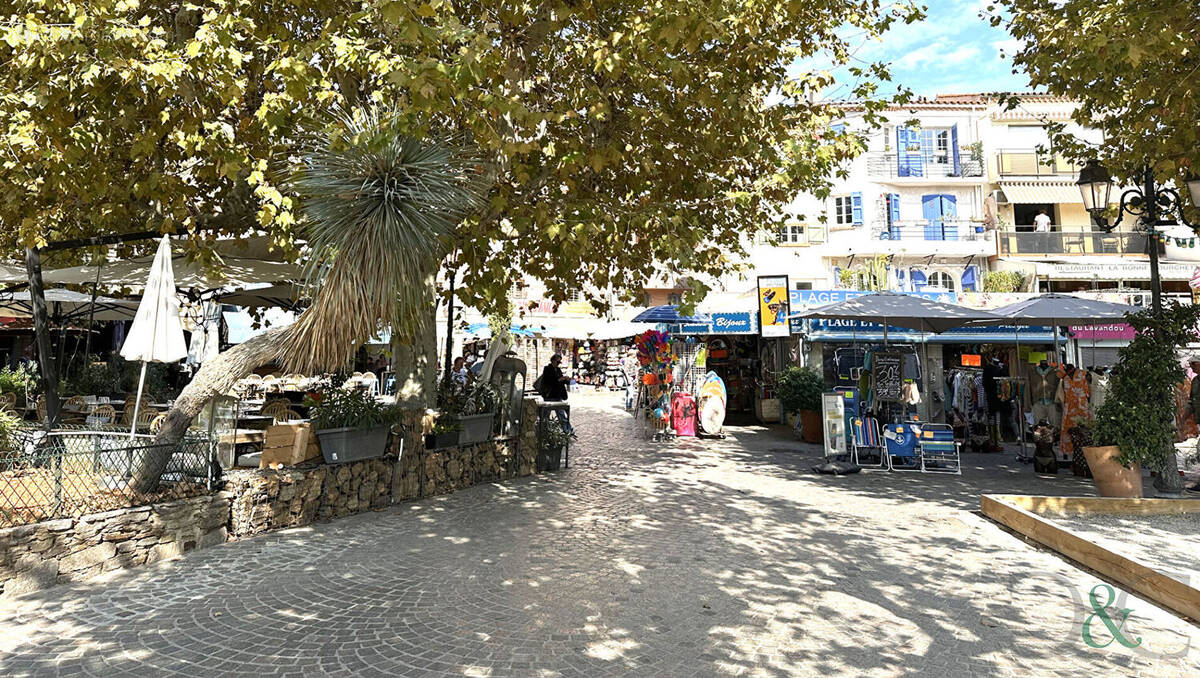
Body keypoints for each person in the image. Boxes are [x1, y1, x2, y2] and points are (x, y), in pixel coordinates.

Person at [540, 354, 573, 433]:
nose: (558, 364)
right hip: (549, 395)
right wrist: (559, 379)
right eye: (557, 362)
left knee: (561, 414)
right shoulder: (547, 369)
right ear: (553, 361)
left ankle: (567, 430)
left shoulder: (558, 370)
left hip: (558, 395)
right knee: (545, 415)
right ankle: (543, 431)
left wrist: (566, 379)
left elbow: (561, 380)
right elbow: (548, 381)